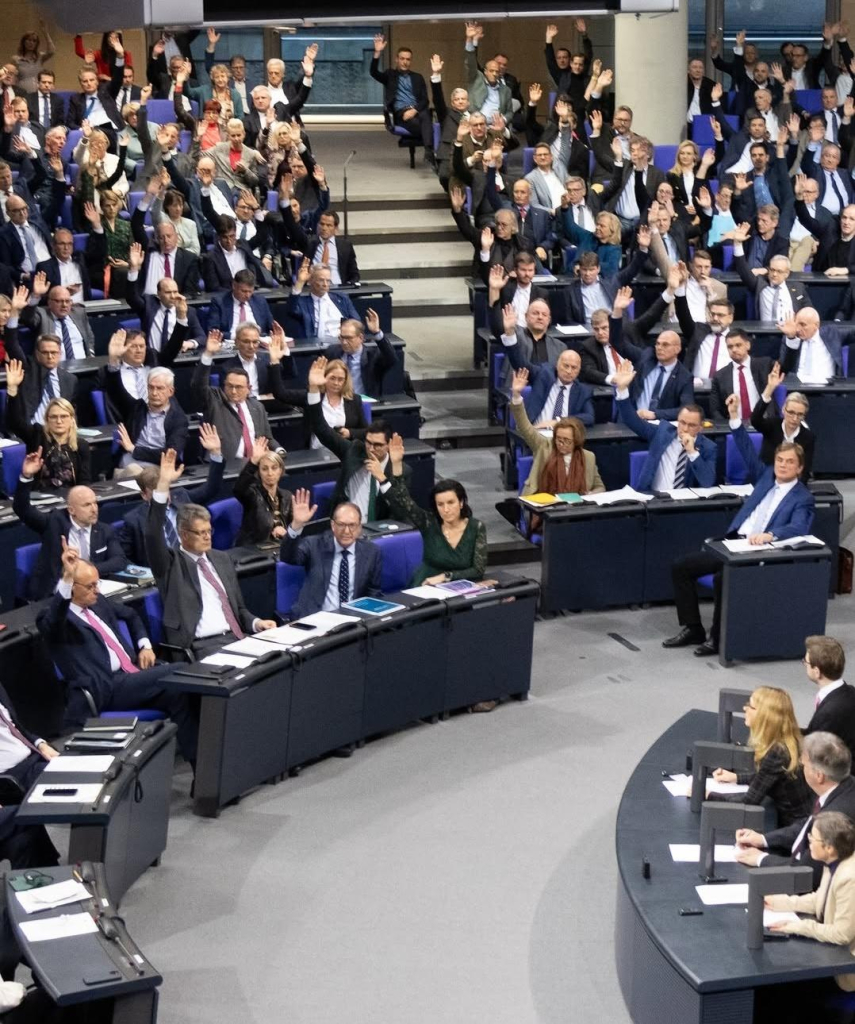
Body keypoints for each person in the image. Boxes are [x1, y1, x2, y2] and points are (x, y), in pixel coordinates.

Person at [666, 403, 815, 655]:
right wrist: (735, 418)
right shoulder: (767, 475)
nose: (782, 465)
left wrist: (771, 535)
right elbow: (746, 450)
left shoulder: (803, 497)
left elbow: (800, 526)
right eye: (779, 460)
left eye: (789, 462)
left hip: (759, 551)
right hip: (734, 542)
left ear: (800, 468)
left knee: (725, 578)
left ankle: (717, 637)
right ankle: (693, 628)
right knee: (681, 566)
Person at [37, 540, 198, 765]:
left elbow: (131, 615)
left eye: (97, 583)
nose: (97, 590)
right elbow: (55, 619)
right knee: (182, 672)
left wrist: (145, 645)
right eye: (90, 586)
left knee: (179, 694)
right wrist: (67, 577)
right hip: (106, 687)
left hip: (133, 674)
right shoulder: (54, 620)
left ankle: (201, 772)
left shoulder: (97, 602)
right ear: (72, 587)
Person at [145, 449, 276, 656]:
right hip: (202, 646)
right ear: (183, 535)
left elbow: (239, 611)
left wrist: (256, 623)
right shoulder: (170, 564)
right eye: (200, 533)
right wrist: (163, 485)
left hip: (239, 638)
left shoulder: (221, 559)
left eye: (209, 531)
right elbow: (153, 534)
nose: (207, 537)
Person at [763, 811, 855, 1017]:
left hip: (846, 970)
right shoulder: (833, 862)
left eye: (813, 838)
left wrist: (797, 926)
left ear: (829, 847)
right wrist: (781, 902)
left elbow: (842, 934)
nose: (808, 842)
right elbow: (820, 900)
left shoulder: (850, 878)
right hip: (832, 954)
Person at [735, 733, 855, 886]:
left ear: (819, 776)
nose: (801, 769)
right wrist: (763, 839)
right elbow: (808, 824)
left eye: (803, 765)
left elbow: (807, 872)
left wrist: (761, 859)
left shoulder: (835, 817)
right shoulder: (846, 785)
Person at [306, 358, 410, 522]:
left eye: (378, 445)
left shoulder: (399, 469)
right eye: (368, 442)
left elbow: (403, 511)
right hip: (344, 526)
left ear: (389, 445)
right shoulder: (353, 450)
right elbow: (321, 428)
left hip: (378, 530)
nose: (371, 448)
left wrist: (382, 479)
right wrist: (313, 389)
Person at [13, 456, 126, 601]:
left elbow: (119, 560)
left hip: (88, 590)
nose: (94, 509)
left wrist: (86, 572)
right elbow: (22, 509)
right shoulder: (53, 523)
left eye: (95, 503)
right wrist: (26, 476)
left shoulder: (104, 530)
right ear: (71, 510)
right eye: (87, 505)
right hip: (55, 592)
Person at [118, 425, 225, 566]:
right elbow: (126, 559)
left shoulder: (181, 496)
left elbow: (211, 489)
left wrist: (216, 453)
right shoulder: (134, 520)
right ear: (144, 495)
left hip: (194, 561)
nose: (164, 494)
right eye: (157, 491)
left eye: (165, 488)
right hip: (163, 572)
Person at [707, 686, 812, 827]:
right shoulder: (789, 740)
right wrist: (736, 778)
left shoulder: (777, 753)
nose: (745, 709)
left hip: (793, 829)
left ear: (765, 716)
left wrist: (708, 795)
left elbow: (749, 801)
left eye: (750, 706)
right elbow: (767, 777)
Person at [510, 368, 604, 520]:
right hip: (544, 511)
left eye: (566, 441)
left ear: (577, 441)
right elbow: (524, 426)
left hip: (578, 511)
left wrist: (591, 494)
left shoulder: (588, 457)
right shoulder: (544, 446)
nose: (561, 444)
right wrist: (516, 396)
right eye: (558, 439)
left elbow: (600, 486)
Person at [613, 361, 716, 492]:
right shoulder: (662, 432)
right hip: (654, 500)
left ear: (701, 427)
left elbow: (707, 483)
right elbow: (631, 420)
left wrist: (692, 453)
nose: (684, 429)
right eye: (682, 422)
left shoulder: (708, 448)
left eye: (691, 425)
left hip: (686, 504)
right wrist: (622, 390)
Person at [280, 490, 382, 619]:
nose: (346, 531)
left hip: (354, 622)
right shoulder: (314, 544)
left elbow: (373, 592)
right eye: (341, 525)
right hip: (316, 619)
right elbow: (288, 557)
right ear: (333, 525)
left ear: (360, 527)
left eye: (352, 525)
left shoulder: (372, 552)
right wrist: (296, 526)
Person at [191, 330, 283, 462]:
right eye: (230, 386)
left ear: (248, 389)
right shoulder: (215, 401)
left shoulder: (257, 407)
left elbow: (267, 438)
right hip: (225, 464)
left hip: (255, 462)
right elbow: (198, 385)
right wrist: (208, 354)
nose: (233, 391)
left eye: (239, 387)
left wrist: (279, 450)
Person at [104, 332, 188, 469]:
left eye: (160, 388)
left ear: (170, 391)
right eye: (151, 388)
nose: (154, 393)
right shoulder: (137, 408)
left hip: (159, 465)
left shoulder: (178, 419)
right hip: (132, 462)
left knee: (148, 476)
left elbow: (170, 455)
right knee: (133, 469)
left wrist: (134, 449)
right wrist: (114, 360)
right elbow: (116, 392)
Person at [499, 309, 593, 427]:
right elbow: (520, 363)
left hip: (563, 437)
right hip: (537, 434)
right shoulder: (544, 375)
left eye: (574, 368)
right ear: (557, 365)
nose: (569, 371)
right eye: (566, 366)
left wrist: (558, 422)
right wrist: (510, 333)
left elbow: (589, 417)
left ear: (579, 371)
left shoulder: (582, 391)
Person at [5, 362, 90, 490]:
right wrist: (12, 389)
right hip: (40, 498)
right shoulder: (37, 436)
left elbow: (85, 481)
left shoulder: (81, 445)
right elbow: (15, 422)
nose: (59, 421)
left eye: (64, 416)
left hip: (70, 499)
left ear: (72, 419)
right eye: (54, 417)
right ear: (47, 419)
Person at [370, 34, 434, 167]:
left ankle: (428, 151)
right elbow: (373, 72)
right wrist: (377, 52)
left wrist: (414, 110)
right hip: (401, 113)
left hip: (417, 111)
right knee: (428, 126)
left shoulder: (417, 77)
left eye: (408, 59)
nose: (405, 62)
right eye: (402, 59)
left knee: (425, 115)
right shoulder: (390, 75)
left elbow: (425, 100)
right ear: (397, 60)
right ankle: (430, 151)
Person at [750, 363, 814, 480]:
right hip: (765, 480)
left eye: (800, 415)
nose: (795, 419)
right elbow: (755, 419)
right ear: (783, 410)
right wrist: (770, 388)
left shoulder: (808, 437)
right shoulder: (772, 425)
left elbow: (804, 472)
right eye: (791, 412)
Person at [2, 329, 77, 427]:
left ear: (60, 354)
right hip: (33, 432)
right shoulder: (27, 372)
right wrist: (13, 317)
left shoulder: (70, 380)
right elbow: (12, 344)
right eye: (45, 353)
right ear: (37, 354)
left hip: (60, 430)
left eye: (54, 352)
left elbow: (72, 412)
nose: (50, 356)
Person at [802, 635, 855, 758]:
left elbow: (815, 751)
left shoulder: (829, 712)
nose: (804, 664)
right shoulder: (850, 691)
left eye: (806, 662)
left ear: (817, 671)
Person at [234, 438, 293, 547]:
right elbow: (239, 488)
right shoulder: (252, 495)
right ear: (259, 472)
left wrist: (287, 533)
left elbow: (294, 528)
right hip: (254, 549)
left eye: (274, 468)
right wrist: (253, 462)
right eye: (264, 469)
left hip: (279, 548)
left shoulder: (287, 496)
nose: (270, 473)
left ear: (280, 471)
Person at [322, 314, 396, 399]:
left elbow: (391, 358)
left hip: (364, 402)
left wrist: (377, 333)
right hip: (339, 403)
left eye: (349, 338)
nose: (344, 342)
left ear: (360, 337)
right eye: (342, 338)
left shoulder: (372, 356)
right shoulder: (332, 352)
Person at [287, 260, 361, 339]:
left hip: (341, 343)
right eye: (321, 280)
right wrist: (300, 282)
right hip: (316, 346)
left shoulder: (341, 298)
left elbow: (356, 322)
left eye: (328, 281)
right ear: (310, 281)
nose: (325, 284)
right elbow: (291, 309)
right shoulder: (303, 303)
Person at [305, 358, 368, 449]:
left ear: (345, 381)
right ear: (324, 377)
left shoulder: (354, 400)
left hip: (344, 451)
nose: (336, 383)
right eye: (332, 378)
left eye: (340, 379)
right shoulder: (313, 396)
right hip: (316, 451)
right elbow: (283, 393)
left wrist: (349, 433)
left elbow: (366, 431)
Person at [709, 330, 771, 421]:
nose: (734, 350)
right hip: (735, 427)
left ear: (748, 345)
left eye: (738, 345)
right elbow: (715, 411)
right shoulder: (720, 376)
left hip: (764, 424)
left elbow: (785, 366)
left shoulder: (764, 365)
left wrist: (791, 339)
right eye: (730, 347)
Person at [83, 192, 132, 299]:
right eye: (107, 205)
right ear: (102, 207)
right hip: (104, 269)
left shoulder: (127, 226)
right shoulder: (96, 226)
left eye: (114, 205)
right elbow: (94, 253)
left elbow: (133, 249)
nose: (111, 208)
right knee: (122, 274)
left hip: (125, 265)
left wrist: (127, 263)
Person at [779, 307, 853, 378]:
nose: (798, 329)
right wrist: (792, 339)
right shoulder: (790, 339)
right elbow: (784, 369)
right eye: (796, 324)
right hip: (799, 388)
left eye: (803, 325)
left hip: (828, 388)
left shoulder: (831, 333)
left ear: (816, 325)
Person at [13, 22, 55, 94]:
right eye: (29, 40)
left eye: (34, 41)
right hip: (22, 94)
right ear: (24, 42)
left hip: (38, 94)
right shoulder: (16, 59)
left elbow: (51, 51)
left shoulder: (40, 57)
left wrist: (46, 33)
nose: (31, 43)